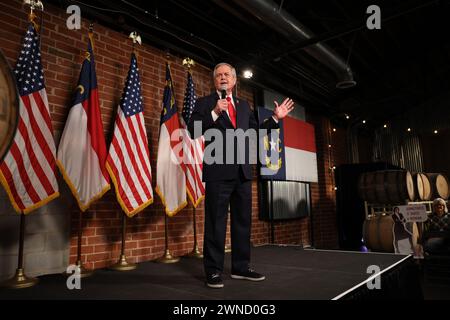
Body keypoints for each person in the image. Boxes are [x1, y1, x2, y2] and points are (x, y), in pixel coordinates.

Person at [187, 62, 294, 288]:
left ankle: (241, 267)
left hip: (243, 173)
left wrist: (275, 119)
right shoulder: (205, 103)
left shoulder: (244, 106)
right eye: (219, 75)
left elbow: (255, 133)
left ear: (235, 81)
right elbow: (193, 131)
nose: (223, 77)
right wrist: (215, 112)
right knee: (216, 223)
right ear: (214, 81)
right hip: (218, 171)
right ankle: (213, 271)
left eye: (227, 74)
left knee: (242, 222)